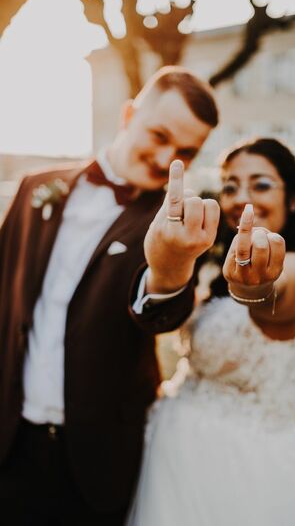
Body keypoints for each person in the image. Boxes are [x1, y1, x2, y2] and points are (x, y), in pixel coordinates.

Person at [0, 66, 219, 525]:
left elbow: (161, 311)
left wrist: (172, 266)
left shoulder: (171, 224)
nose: (166, 158)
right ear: (127, 114)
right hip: (10, 441)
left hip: (97, 462)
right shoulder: (35, 189)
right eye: (159, 134)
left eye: (186, 152)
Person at [126, 138, 295, 526]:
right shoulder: (214, 273)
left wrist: (253, 288)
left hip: (242, 470)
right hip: (172, 452)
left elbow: (271, 294)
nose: (241, 198)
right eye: (230, 185)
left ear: (294, 200)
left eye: (260, 184)